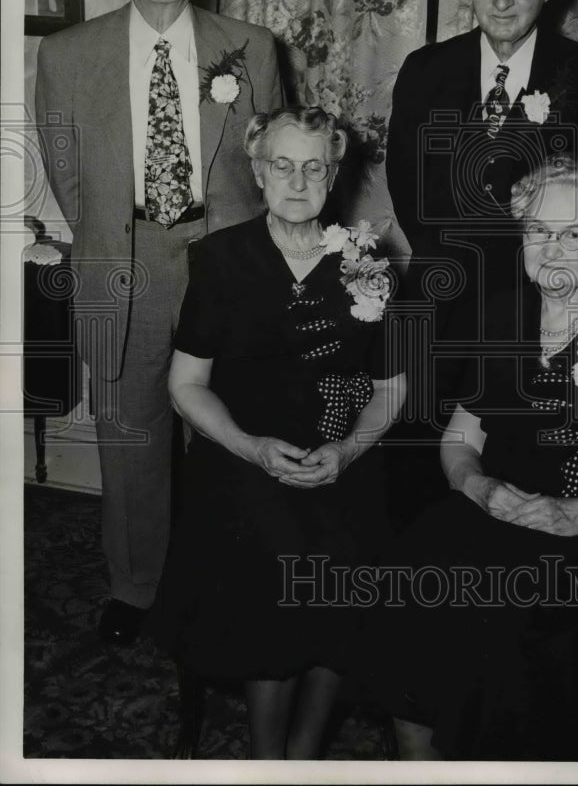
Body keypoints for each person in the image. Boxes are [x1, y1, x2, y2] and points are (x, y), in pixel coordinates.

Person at [360, 154, 578, 760]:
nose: (549, 249)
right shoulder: (501, 314)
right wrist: (474, 486)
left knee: (502, 603)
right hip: (501, 502)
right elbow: (461, 436)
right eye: (537, 231)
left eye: (571, 234)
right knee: (408, 567)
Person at [34, 0, 282, 645]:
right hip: (122, 261)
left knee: (229, 426)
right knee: (130, 434)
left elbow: (270, 165)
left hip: (226, 264)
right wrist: (119, 239)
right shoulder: (69, 54)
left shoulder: (252, 47)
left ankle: (226, 574)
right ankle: (135, 586)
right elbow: (67, 174)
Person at [151, 105, 406, 759]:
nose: (298, 182)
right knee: (280, 553)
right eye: (283, 166)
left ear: (335, 176)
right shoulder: (220, 260)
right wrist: (250, 447)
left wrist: (346, 452)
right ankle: (270, 761)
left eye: (314, 167)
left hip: (339, 454)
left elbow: (391, 389)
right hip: (240, 454)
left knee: (350, 559)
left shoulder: (368, 262)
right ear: (259, 173)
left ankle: (304, 752)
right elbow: (186, 386)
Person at [383, 0, 578, 516]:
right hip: (438, 309)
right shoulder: (426, 71)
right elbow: (407, 188)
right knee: (411, 479)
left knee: (517, 492)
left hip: (544, 318)